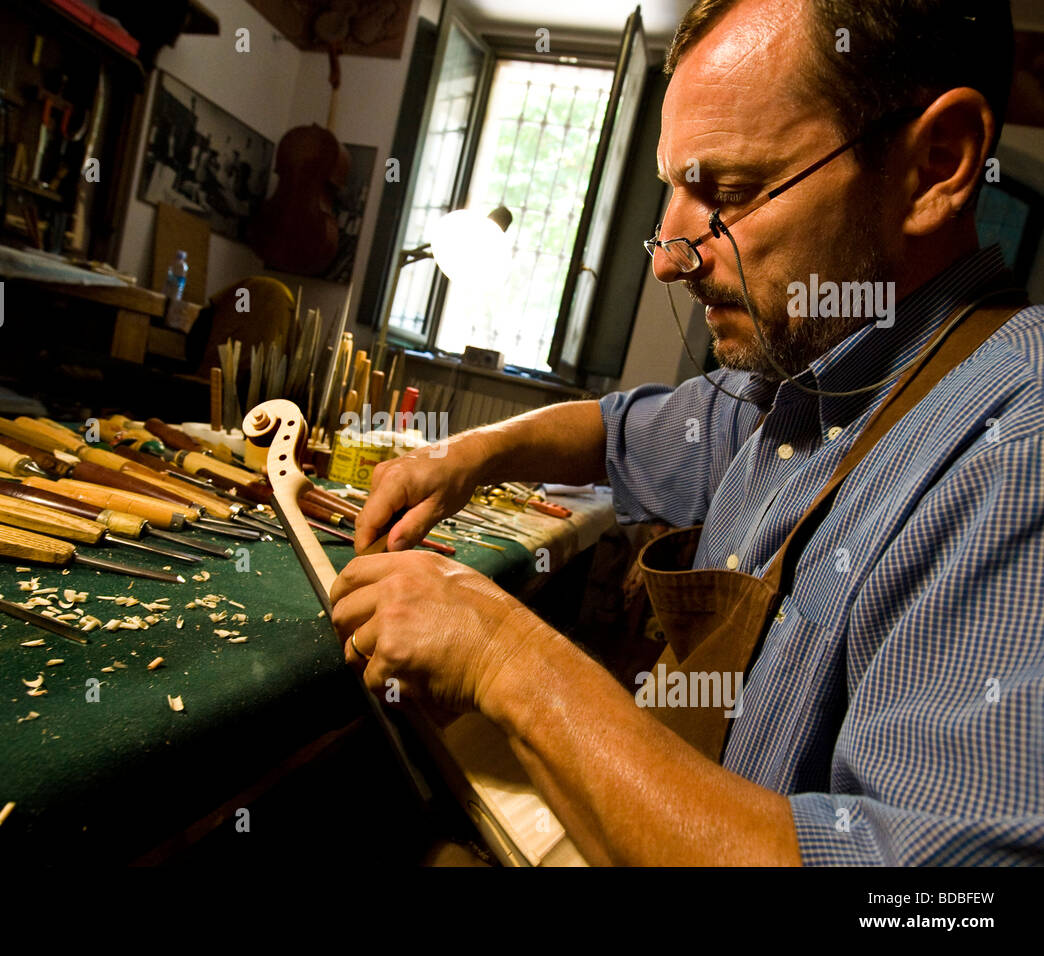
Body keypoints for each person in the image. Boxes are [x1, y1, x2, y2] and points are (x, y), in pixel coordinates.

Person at [333, 0, 1044, 865]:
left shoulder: (1016, 447)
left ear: (937, 163)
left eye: (730, 192)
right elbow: (616, 429)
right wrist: (463, 455)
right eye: (674, 188)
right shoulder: (805, 379)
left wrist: (503, 657)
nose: (669, 255)